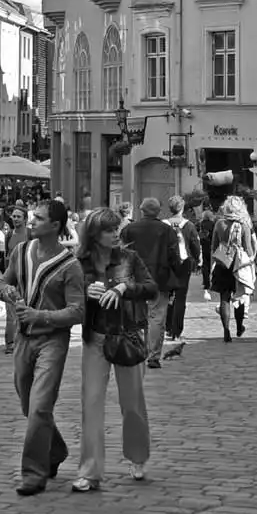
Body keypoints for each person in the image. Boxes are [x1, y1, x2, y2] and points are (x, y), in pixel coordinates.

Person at [0, 199, 86, 495]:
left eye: (38, 218)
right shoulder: (21, 251)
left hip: (52, 340)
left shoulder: (70, 266)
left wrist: (43, 316)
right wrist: (6, 291)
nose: (31, 221)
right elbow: (4, 282)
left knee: (40, 406)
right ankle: (56, 449)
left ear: (55, 226)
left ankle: (33, 473)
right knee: (28, 404)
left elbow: (78, 311)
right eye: (32, 217)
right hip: (24, 338)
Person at [73, 206, 156, 492]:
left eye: (116, 228)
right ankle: (90, 471)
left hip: (126, 336)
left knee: (132, 403)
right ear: (94, 234)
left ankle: (138, 457)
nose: (114, 234)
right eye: (108, 230)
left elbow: (151, 288)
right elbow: (69, 296)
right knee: (91, 404)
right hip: (95, 338)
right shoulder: (80, 262)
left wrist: (124, 288)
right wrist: (85, 293)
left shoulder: (129, 258)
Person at [120, 197, 178, 367]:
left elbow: (121, 254)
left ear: (141, 210)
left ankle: (137, 350)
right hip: (160, 278)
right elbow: (174, 255)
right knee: (157, 318)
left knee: (136, 317)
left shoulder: (129, 229)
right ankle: (153, 355)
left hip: (135, 279)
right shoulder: (166, 231)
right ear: (159, 211)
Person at [209, 196, 257, 342]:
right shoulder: (244, 226)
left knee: (224, 297)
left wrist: (212, 265)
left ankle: (226, 330)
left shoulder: (219, 224)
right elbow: (249, 250)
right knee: (240, 297)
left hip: (223, 262)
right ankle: (238, 326)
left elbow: (214, 246)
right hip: (239, 265)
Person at [162, 195, 200, 356]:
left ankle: (168, 326)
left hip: (166, 264)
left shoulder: (163, 225)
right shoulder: (189, 225)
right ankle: (177, 330)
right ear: (182, 208)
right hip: (184, 264)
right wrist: (198, 260)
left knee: (167, 295)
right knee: (180, 297)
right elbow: (195, 245)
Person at [0, 205, 31, 354]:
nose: (15, 218)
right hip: (12, 276)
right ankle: (10, 343)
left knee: (26, 308)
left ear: (25, 219)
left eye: (18, 216)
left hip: (28, 276)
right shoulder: (9, 234)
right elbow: (6, 255)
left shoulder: (31, 234)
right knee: (11, 310)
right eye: (14, 216)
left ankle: (25, 339)